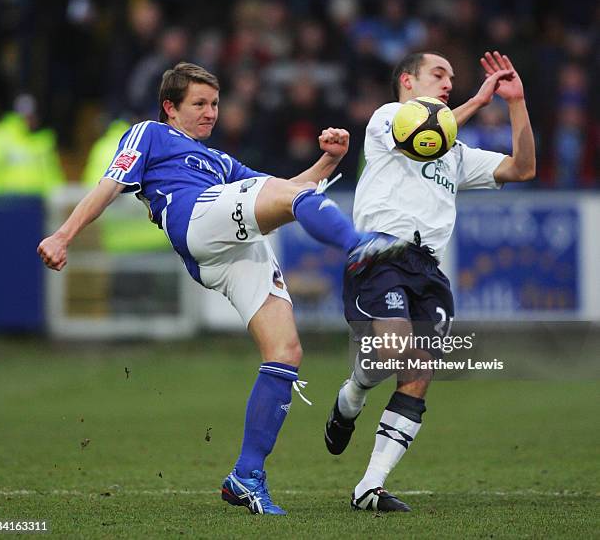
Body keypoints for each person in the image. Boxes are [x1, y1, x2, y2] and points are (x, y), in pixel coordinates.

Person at [37, 62, 400, 516]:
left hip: (229, 247)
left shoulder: (220, 160)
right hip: (195, 219)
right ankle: (357, 247)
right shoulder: (150, 133)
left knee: (285, 352)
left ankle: (246, 477)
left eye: (214, 103)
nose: (210, 113)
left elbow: (285, 190)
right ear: (170, 108)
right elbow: (109, 185)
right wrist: (63, 235)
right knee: (290, 202)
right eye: (199, 104)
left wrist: (328, 160)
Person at [324, 50, 536, 511]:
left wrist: (515, 103)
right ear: (407, 80)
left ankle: (369, 487)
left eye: (452, 78)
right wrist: (480, 101)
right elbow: (420, 132)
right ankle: (353, 393)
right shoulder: (386, 119)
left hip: (429, 270)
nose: (448, 82)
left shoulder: (455, 154)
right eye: (438, 74)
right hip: (381, 254)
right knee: (392, 350)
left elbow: (523, 168)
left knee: (418, 373)